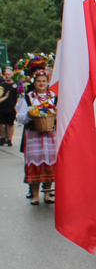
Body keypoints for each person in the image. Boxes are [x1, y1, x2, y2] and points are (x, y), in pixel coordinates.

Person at [16, 70, 57, 204]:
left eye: (44, 81)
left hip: (50, 135)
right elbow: (20, 117)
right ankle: (34, 196)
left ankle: (47, 194)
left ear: (47, 82)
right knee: (34, 164)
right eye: (39, 81)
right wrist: (30, 115)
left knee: (50, 164)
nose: (41, 84)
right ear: (34, 82)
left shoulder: (53, 96)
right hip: (33, 135)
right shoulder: (28, 97)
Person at [0, 67, 17, 146]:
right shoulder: (2, 85)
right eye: (6, 74)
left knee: (10, 124)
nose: (7, 76)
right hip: (2, 106)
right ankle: (2, 137)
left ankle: (9, 139)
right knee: (1, 123)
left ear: (12, 75)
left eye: (9, 74)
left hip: (11, 107)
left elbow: (18, 96)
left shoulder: (15, 85)